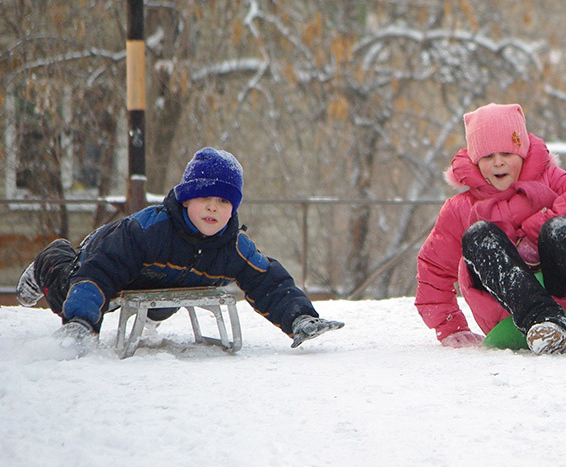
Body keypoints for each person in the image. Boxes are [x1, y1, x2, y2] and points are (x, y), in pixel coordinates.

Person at [16, 147, 343, 349]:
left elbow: (268, 280)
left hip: (158, 281)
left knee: (167, 296)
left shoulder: (232, 246)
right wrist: (82, 324)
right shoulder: (148, 231)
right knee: (66, 289)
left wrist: (300, 318)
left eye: (224, 201)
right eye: (205, 199)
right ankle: (50, 259)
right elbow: (100, 270)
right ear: (186, 200)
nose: (214, 209)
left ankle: (147, 312)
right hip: (99, 258)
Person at [415, 102, 566, 355]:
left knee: (561, 227)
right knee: (479, 235)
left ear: (522, 153)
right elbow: (434, 268)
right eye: (488, 157)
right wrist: (451, 326)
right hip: (507, 309)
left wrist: (538, 228)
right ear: (476, 162)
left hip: (565, 298)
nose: (498, 163)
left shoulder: (550, 180)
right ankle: (543, 323)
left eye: (507, 154)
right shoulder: (461, 208)